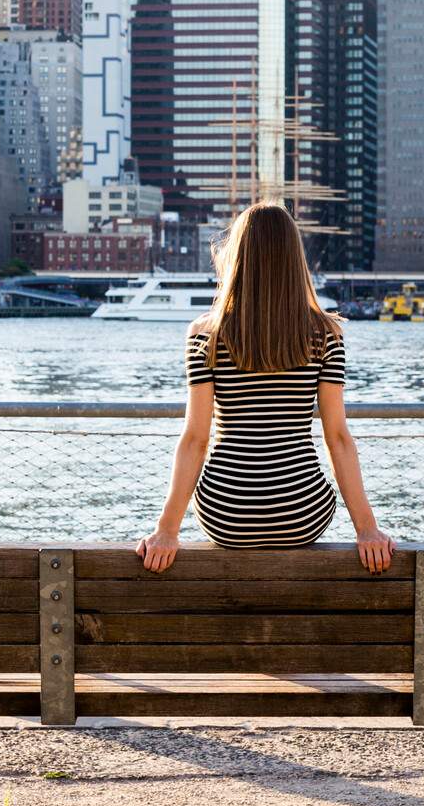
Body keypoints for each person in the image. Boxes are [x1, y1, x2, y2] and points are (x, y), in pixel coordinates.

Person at [136, 203, 395, 574]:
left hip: (226, 515)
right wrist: (367, 530)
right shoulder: (325, 335)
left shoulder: (204, 335)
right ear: (294, 258)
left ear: (237, 255)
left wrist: (166, 531)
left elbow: (195, 439)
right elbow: (337, 437)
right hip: (301, 515)